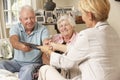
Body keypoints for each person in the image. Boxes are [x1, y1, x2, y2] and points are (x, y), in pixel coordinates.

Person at [37, 0, 120, 80]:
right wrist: (56, 46)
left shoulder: (87, 35)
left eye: (82, 14)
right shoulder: (113, 32)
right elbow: (77, 49)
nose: (82, 18)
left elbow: (66, 62)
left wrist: (48, 51)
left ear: (90, 15)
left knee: (44, 69)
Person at [0, 5, 49, 80]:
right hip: (16, 62)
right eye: (26, 18)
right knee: (1, 64)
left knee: (28, 70)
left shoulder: (43, 29)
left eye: (32, 17)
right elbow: (13, 40)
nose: (29, 21)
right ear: (20, 19)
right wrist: (21, 46)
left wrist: (46, 44)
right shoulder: (15, 28)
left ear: (35, 17)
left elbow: (45, 42)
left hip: (33, 64)